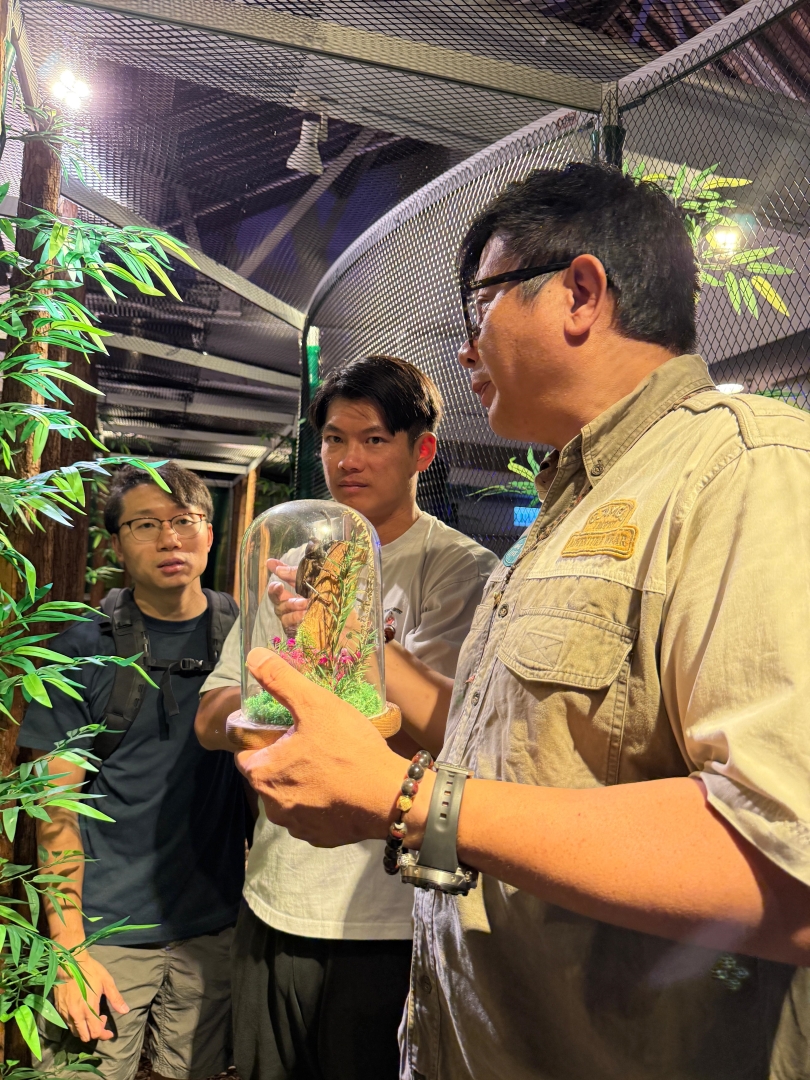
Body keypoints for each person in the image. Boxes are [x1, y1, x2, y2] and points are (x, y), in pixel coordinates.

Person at [235, 163, 810, 1080]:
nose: (465, 353)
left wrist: (405, 801)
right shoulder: (571, 506)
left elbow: (784, 863)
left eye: (479, 310)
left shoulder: (749, 470)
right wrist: (352, 654)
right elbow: (521, 746)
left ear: (580, 293)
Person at [195, 354, 498, 1080]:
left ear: (422, 451)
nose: (347, 459)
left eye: (373, 439)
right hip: (274, 897)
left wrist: (337, 630)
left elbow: (451, 731)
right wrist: (261, 714)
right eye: (334, 439)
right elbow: (212, 714)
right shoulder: (292, 557)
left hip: (391, 918)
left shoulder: (461, 571)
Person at [17, 462, 247, 1080]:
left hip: (213, 928)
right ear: (117, 544)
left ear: (209, 533)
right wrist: (68, 948)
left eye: (184, 521)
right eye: (145, 524)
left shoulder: (247, 638)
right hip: (103, 932)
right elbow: (54, 809)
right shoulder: (80, 648)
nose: (169, 539)